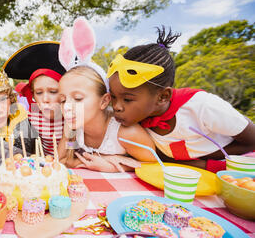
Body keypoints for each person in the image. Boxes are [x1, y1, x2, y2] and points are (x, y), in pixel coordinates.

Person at [106, 26, 255, 172]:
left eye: (127, 99)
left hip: (237, 172)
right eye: (113, 96)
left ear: (163, 97)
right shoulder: (137, 120)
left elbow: (252, 141)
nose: (116, 107)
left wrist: (201, 163)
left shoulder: (202, 106)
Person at [57, 18, 157, 172]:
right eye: (63, 100)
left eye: (78, 98)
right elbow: (62, 160)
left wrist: (116, 166)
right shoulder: (73, 129)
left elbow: (156, 164)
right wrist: (85, 161)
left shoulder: (126, 133)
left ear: (104, 101)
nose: (67, 107)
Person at [3, 41, 65, 157]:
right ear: (33, 95)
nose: (45, 99)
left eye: (53, 91)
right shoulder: (31, 119)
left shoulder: (73, 117)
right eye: (39, 92)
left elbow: (73, 148)